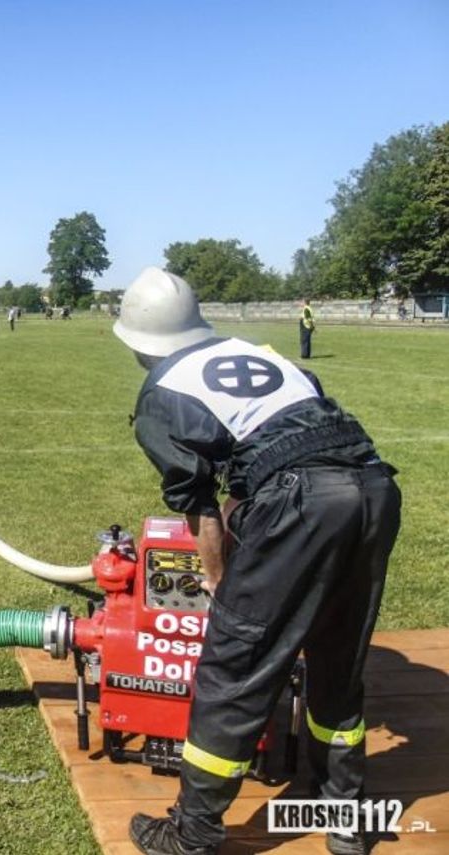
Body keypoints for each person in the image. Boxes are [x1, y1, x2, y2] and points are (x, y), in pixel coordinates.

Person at [113, 267, 401, 855]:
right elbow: (272, 451)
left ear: (138, 343)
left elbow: (199, 505)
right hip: (374, 490)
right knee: (337, 659)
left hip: (304, 501)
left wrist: (221, 581)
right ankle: (344, 815)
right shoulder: (265, 355)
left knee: (234, 668)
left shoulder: (162, 394)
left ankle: (192, 835)